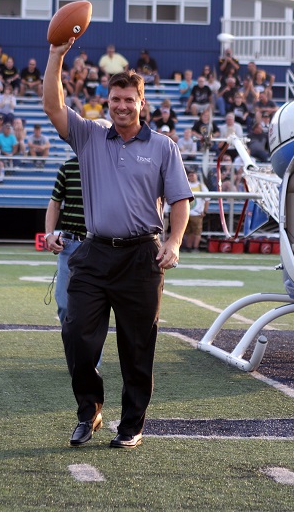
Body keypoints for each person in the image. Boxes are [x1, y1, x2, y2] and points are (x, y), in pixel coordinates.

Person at [43, 33, 192, 449]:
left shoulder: (163, 147)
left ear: (142, 103)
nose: (122, 106)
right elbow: (53, 105)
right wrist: (56, 55)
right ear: (107, 102)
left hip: (141, 256)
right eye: (115, 100)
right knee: (75, 334)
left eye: (130, 100)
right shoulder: (89, 136)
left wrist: (174, 242)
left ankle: (131, 426)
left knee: (137, 347)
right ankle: (89, 410)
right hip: (93, 253)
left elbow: (180, 200)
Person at [44, 156, 87, 325]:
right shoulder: (68, 167)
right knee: (64, 304)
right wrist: (49, 234)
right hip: (71, 243)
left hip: (100, 244)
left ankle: (90, 352)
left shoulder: (110, 164)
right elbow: (55, 203)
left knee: (95, 307)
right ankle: (74, 349)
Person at [181, 168, 208, 252]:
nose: (191, 177)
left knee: (197, 232)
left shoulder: (201, 186)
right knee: (188, 232)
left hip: (197, 213)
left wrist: (204, 211)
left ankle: (195, 247)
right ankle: (188, 247)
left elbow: (207, 199)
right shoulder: (185, 185)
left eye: (193, 175)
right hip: (187, 213)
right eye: (190, 175)